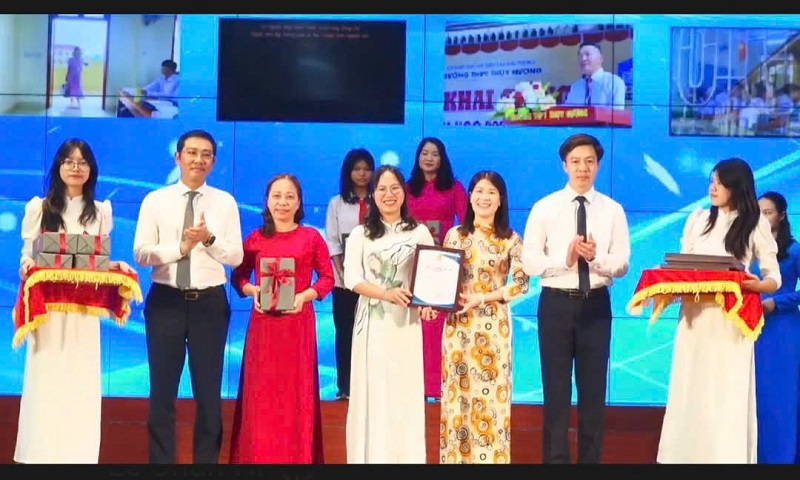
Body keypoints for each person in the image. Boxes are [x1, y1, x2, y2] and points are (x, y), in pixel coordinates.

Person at [15, 138, 133, 463]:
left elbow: (96, 260)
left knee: (81, 380)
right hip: (48, 311)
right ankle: (38, 454)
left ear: (91, 169)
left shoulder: (101, 211)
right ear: (59, 167)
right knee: (45, 378)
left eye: (82, 162)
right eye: (69, 161)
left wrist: (115, 266)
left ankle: (78, 455)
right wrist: (27, 264)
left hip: (84, 312)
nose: (76, 168)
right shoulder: (39, 208)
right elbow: (27, 254)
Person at [657, 158, 780, 464]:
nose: (713, 188)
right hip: (694, 319)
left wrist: (754, 285)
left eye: (720, 183)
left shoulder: (755, 224)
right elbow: (683, 265)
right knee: (690, 387)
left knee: (725, 392)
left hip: (730, 322)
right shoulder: (697, 219)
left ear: (736, 187)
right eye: (712, 181)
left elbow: (773, 279)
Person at [132, 129, 243, 464]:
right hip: (165, 302)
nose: (199, 160)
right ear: (178, 157)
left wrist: (208, 239)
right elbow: (141, 253)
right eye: (192, 153)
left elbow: (236, 256)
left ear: (213, 162)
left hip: (209, 304)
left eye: (206, 154)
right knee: (161, 393)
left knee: (208, 395)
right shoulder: (155, 200)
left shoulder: (225, 202)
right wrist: (179, 248)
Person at [521, 133, 630, 464]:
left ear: (598, 166)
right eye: (576, 161)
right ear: (564, 165)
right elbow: (529, 262)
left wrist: (595, 258)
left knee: (593, 395)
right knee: (555, 394)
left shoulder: (613, 210)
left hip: (596, 305)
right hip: (555, 304)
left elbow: (622, 263)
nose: (583, 168)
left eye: (589, 162)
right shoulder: (545, 207)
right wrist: (565, 260)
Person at [229, 174, 335, 463]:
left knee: (295, 396)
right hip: (263, 329)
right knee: (261, 397)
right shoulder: (255, 238)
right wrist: (253, 291)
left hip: (297, 327)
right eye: (276, 196)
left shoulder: (311, 237)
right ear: (267, 200)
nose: (283, 202)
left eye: (290, 196)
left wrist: (304, 296)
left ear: (299, 202)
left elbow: (328, 278)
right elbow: (238, 277)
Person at [343, 164, 437, 463]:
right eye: (382, 189)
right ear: (373, 194)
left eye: (395, 188)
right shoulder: (360, 234)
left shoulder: (419, 231)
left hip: (405, 324)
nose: (389, 194)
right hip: (372, 324)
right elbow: (351, 279)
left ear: (404, 192)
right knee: (372, 392)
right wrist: (385, 294)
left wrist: (429, 304)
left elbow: (431, 277)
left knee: (405, 391)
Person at [439, 170, 530, 464]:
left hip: (493, 331)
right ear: (469, 197)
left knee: (491, 401)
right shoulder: (455, 235)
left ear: (501, 199)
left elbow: (520, 284)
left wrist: (481, 298)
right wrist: (431, 303)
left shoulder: (511, 239)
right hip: (459, 329)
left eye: (491, 192)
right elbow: (440, 279)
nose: (484, 197)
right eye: (479, 191)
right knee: (458, 399)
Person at [405, 137, 467, 400]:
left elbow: (466, 225)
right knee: (415, 327)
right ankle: (416, 388)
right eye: (424, 153)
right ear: (418, 157)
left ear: (442, 159)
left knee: (439, 329)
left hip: (444, 266)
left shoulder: (454, 188)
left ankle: (441, 388)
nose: (429, 158)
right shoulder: (407, 188)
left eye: (435, 154)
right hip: (412, 265)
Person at [752, 191, 800, 463]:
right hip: (752, 330)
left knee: (781, 397)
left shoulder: (794, 250)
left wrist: (777, 303)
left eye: (768, 212)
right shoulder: (748, 249)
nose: (762, 217)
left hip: (783, 332)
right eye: (758, 212)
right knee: (757, 398)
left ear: (781, 216)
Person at [324, 148, 375, 401]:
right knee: (345, 333)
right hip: (343, 282)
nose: (362, 174)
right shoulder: (337, 203)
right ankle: (345, 387)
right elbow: (333, 241)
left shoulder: (380, 201)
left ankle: (371, 387)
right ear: (348, 172)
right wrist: (343, 273)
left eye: (367, 169)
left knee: (373, 336)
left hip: (375, 283)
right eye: (357, 169)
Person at [563, 42, 627, 111]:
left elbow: (617, 114)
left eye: (587, 54)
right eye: (580, 56)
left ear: (601, 58)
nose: (583, 59)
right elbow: (568, 112)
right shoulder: (576, 87)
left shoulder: (614, 82)